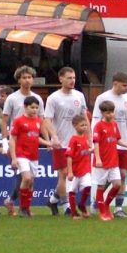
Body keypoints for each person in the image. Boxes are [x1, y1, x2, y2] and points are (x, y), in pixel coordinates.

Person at [90, 71, 127, 219]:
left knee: (122, 175)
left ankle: (118, 207)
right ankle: (99, 203)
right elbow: (95, 120)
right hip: (105, 144)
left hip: (121, 141)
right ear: (115, 83)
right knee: (105, 180)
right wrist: (94, 141)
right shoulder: (102, 98)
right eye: (124, 85)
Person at [43, 67, 88, 216]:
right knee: (63, 173)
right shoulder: (53, 98)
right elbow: (47, 120)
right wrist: (53, 137)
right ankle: (67, 205)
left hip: (78, 142)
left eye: (74, 78)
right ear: (60, 79)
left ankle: (53, 200)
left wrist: (89, 137)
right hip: (61, 143)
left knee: (73, 174)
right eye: (69, 78)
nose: (72, 80)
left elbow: (84, 117)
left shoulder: (79, 96)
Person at [0, 66, 39, 213]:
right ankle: (23, 207)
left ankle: (11, 201)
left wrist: (47, 139)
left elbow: (41, 121)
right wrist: (5, 141)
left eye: (29, 77)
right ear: (19, 80)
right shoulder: (12, 98)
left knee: (27, 179)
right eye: (24, 77)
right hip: (16, 142)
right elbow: (4, 121)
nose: (27, 80)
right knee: (24, 177)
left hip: (31, 142)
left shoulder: (37, 99)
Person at [8, 96, 49, 218]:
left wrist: (49, 143)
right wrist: (14, 158)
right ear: (25, 107)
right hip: (21, 154)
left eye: (37, 107)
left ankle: (26, 208)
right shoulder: (18, 121)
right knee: (26, 178)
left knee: (31, 182)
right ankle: (22, 208)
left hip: (34, 155)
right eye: (32, 107)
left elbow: (36, 137)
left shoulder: (37, 121)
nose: (35, 110)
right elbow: (12, 140)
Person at [92, 100, 127, 221]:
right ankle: (102, 212)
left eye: (112, 112)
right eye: (107, 112)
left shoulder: (114, 124)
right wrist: (97, 158)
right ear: (102, 113)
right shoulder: (98, 126)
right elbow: (96, 143)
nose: (110, 115)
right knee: (101, 187)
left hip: (113, 160)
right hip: (102, 162)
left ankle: (106, 205)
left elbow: (118, 140)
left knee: (117, 184)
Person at [64, 115, 94, 219]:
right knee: (71, 192)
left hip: (85, 169)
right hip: (75, 170)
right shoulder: (73, 140)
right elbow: (69, 156)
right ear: (75, 126)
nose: (85, 127)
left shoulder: (85, 138)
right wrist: (70, 172)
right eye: (82, 125)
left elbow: (85, 151)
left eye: (86, 125)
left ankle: (81, 204)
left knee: (88, 186)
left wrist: (91, 150)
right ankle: (74, 213)